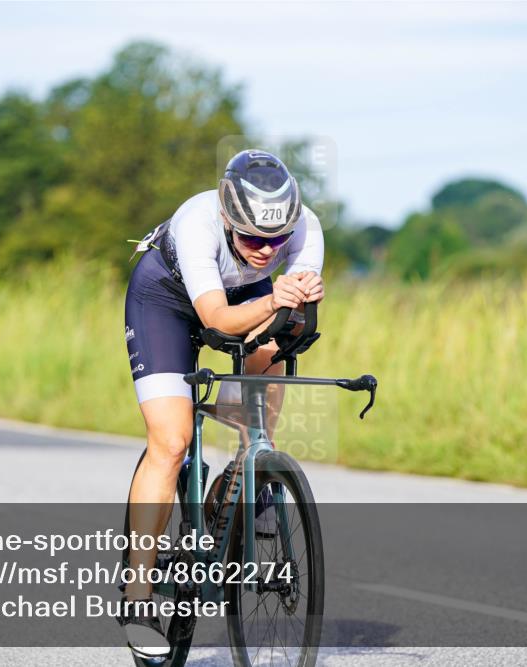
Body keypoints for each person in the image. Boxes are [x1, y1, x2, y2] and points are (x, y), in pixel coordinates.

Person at [119, 149, 325, 658]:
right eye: (253, 238)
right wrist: (277, 299)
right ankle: (139, 595)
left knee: (270, 368)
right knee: (171, 441)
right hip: (165, 301)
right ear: (229, 218)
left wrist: (293, 309)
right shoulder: (197, 224)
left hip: (247, 298)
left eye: (277, 240)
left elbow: (289, 319)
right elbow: (215, 318)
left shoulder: (304, 229)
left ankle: (242, 483)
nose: (267, 249)